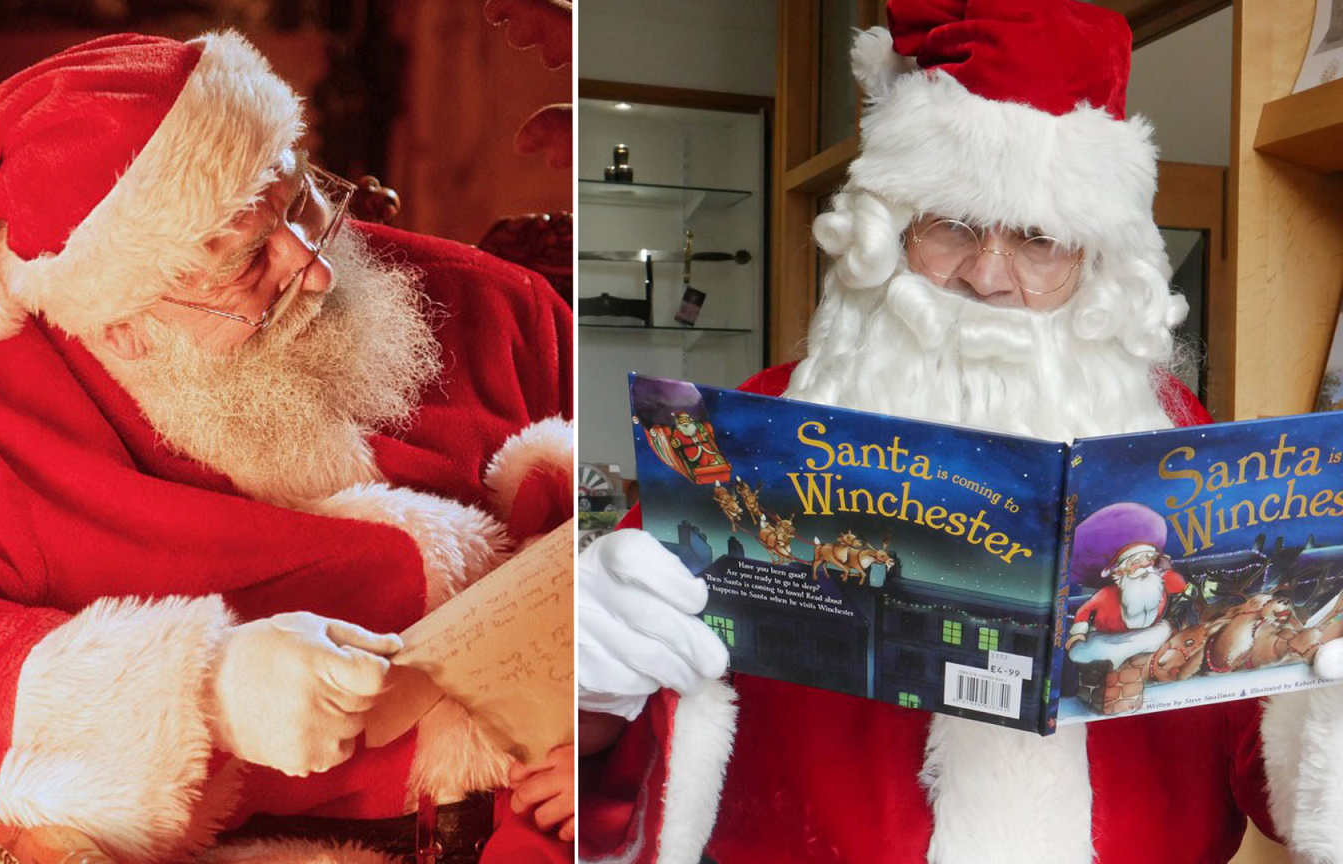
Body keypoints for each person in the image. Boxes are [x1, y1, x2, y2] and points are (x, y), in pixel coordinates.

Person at [576, 3, 1343, 863]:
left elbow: (1265, 755)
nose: (988, 278)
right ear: (889, 234)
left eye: (1040, 241)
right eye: (952, 226)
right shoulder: (747, 436)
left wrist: (1329, 700)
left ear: (1094, 264)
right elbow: (599, 760)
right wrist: (593, 689)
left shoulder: (1177, 446)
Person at [0, 32, 574, 864]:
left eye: (300, 200)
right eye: (249, 258)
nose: (317, 269)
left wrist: (621, 723)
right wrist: (206, 684)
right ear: (119, 320)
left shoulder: (496, 304)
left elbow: (694, 528)